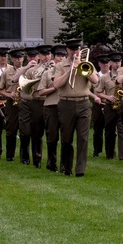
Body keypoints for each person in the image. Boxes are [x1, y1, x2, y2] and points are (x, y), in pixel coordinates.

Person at [54, 39, 100, 176]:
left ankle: (80, 170)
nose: (75, 52)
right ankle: (67, 167)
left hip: (84, 103)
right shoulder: (61, 66)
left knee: (83, 138)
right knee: (66, 138)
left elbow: (96, 81)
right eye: (72, 49)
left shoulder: (87, 64)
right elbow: (56, 84)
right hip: (66, 103)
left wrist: (81, 65)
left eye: (77, 49)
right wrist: (70, 71)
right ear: (67, 50)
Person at [37, 45, 65, 171]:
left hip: (65, 106)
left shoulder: (70, 73)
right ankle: (51, 163)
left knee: (66, 137)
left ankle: (65, 165)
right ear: (54, 57)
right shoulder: (48, 73)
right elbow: (40, 92)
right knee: (52, 137)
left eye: (63, 56)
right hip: (51, 106)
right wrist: (53, 88)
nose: (60, 58)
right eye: (58, 56)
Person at [2, 48, 24, 161]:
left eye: (20, 57)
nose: (19, 60)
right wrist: (8, 94)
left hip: (24, 102)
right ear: (12, 59)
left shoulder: (27, 70)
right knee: (11, 129)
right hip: (12, 103)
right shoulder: (6, 73)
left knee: (25, 130)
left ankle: (24, 157)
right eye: (16, 58)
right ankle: (10, 155)